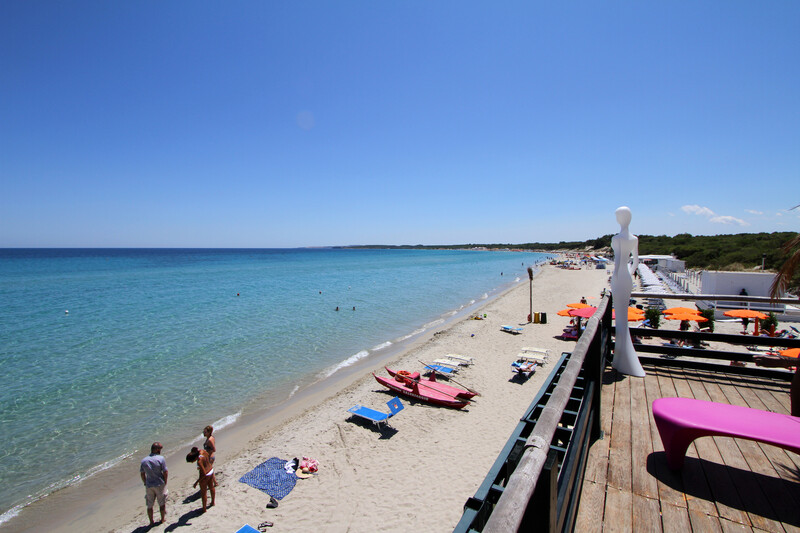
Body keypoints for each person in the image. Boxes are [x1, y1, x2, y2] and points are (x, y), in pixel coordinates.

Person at [611, 206, 645, 377]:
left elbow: (617, 265)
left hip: (618, 277)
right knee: (623, 319)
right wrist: (629, 275)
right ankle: (620, 359)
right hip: (628, 277)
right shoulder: (634, 238)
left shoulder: (616, 238)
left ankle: (622, 359)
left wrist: (615, 278)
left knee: (620, 319)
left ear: (620, 218)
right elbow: (636, 262)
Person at [140, 442, 168, 526]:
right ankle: (162, 519)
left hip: (149, 485)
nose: (160, 451)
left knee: (149, 505)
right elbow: (165, 471)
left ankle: (151, 521)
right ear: (156, 449)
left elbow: (142, 473)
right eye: (159, 449)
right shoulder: (161, 458)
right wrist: (165, 481)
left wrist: (145, 482)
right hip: (159, 483)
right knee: (161, 503)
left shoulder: (144, 460)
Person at [187, 446, 215, 512]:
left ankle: (204, 509)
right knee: (211, 487)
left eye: (192, 461)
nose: (192, 462)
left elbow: (204, 474)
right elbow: (208, 456)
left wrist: (196, 482)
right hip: (211, 470)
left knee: (203, 492)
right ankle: (212, 502)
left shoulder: (199, 461)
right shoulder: (203, 451)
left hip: (206, 475)